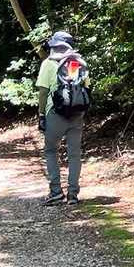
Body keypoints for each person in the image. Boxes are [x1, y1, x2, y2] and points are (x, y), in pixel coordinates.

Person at [35, 30, 87, 206]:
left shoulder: (48, 63)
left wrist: (41, 114)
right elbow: (85, 88)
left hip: (55, 113)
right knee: (74, 154)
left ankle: (56, 192)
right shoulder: (77, 63)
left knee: (51, 151)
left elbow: (43, 92)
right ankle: (73, 194)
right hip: (76, 113)